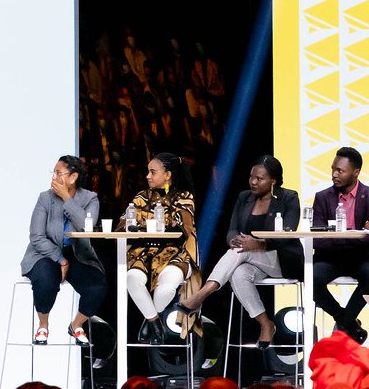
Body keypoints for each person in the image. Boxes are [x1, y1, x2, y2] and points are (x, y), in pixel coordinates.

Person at [177, 155, 302, 347]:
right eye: (251, 176)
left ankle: (200, 296)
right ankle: (266, 324)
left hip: (281, 260)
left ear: (273, 181)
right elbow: (232, 230)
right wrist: (234, 240)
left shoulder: (289, 198)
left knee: (242, 250)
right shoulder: (244, 197)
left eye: (259, 179)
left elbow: (288, 233)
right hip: (251, 259)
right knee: (238, 274)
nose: (253, 181)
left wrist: (260, 244)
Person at [20, 154, 106, 345]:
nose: (54, 178)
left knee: (97, 285)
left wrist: (67, 198)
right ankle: (43, 325)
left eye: (58, 173)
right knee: (46, 279)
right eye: (54, 173)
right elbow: (36, 236)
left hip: (77, 255)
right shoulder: (45, 198)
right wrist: (60, 259)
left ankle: (76, 325)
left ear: (73, 177)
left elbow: (86, 227)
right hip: (44, 253)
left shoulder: (90, 198)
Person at [122, 151, 200, 342]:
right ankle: (155, 322)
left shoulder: (184, 197)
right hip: (143, 253)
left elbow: (184, 228)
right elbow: (124, 222)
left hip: (177, 254)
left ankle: (150, 318)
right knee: (131, 278)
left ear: (168, 175)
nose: (148, 176)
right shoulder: (141, 197)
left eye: (153, 172)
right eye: (148, 172)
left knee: (166, 289)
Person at [311, 145, 369, 342]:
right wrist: (357, 236)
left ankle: (343, 324)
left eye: (340, 171)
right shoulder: (322, 197)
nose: (334, 174)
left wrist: (337, 237)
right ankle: (348, 323)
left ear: (356, 172)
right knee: (311, 280)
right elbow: (318, 239)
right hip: (330, 258)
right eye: (333, 169)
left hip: (360, 258)